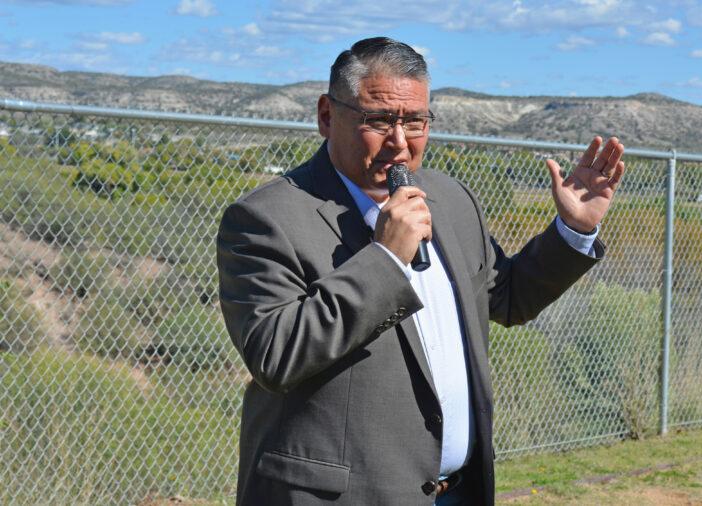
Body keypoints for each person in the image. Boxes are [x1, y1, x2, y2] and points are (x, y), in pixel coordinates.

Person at [217, 37, 625, 506]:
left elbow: (507, 298)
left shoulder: (450, 200)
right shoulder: (266, 218)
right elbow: (276, 356)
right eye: (378, 120)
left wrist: (572, 231)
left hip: (457, 491)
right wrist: (386, 261)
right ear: (327, 117)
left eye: (415, 121)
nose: (400, 140)